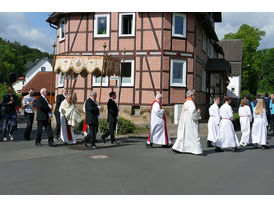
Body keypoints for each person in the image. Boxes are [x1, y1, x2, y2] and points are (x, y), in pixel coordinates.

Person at [172, 90, 206, 156]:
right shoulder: (190, 103)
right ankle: (197, 150)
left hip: (185, 121)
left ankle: (178, 147)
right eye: (194, 95)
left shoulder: (186, 102)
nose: (195, 96)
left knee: (183, 135)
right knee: (195, 135)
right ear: (191, 95)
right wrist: (198, 112)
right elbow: (193, 114)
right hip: (190, 122)